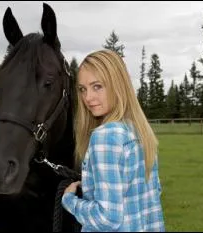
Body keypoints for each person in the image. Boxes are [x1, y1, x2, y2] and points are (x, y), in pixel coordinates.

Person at [61, 49, 165, 232]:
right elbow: (150, 197)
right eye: (83, 89)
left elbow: (107, 218)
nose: (87, 98)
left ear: (118, 85)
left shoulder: (105, 136)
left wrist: (69, 200)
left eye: (97, 86)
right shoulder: (141, 132)